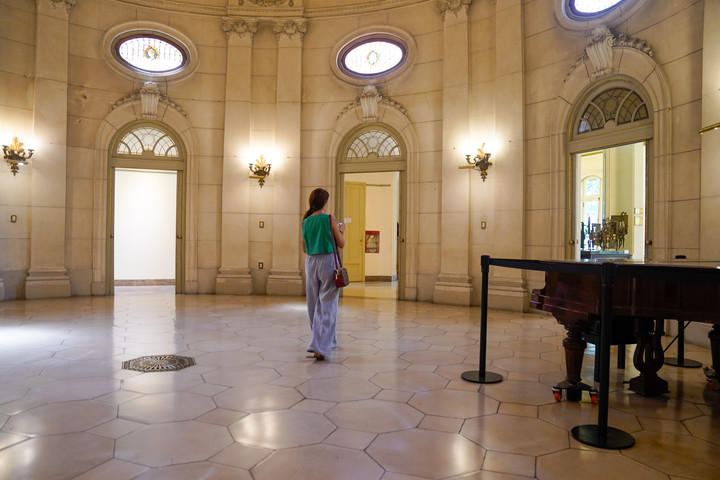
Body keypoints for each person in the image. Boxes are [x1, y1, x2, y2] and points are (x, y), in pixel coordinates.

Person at [301, 188, 345, 360]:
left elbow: (304, 248)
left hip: (311, 262)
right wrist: (341, 230)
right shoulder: (329, 218)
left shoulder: (305, 221)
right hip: (327, 261)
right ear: (325, 202)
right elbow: (341, 244)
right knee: (327, 304)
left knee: (313, 302)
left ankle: (327, 340)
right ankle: (321, 346)